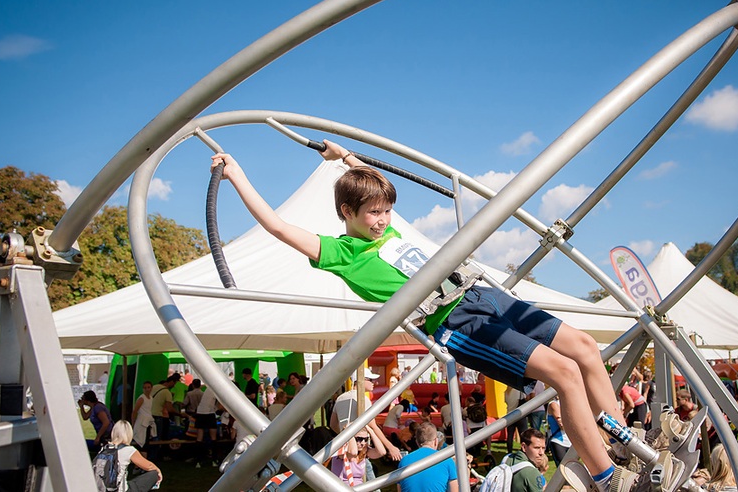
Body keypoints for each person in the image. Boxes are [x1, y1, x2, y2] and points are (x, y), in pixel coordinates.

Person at [212, 142, 636, 491]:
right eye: (373, 214)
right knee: (562, 371)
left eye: (386, 212)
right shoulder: (341, 253)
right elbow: (277, 227)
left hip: (480, 293)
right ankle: (609, 479)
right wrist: (236, 175)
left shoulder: (389, 230)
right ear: (346, 213)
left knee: (583, 347)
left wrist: (345, 158)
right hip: (455, 322)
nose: (382, 221)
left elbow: (374, 186)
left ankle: (627, 448)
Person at [330, 367, 403, 461]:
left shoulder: (340, 398)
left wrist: (345, 434)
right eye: (371, 380)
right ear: (362, 380)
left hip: (345, 447)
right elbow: (373, 426)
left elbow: (332, 424)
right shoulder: (363, 400)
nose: (374, 383)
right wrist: (390, 447)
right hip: (360, 448)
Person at [104, 420, 162, 492]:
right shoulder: (128, 450)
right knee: (154, 474)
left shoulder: (104, 448)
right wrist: (158, 472)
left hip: (104, 489)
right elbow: (149, 466)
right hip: (121, 490)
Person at [398, 422, 458, 492]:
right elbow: (454, 490)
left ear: (417, 442)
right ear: (436, 441)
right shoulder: (447, 460)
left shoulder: (404, 461)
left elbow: (400, 489)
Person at [507, 428, 547, 492]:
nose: (541, 453)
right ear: (524, 447)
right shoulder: (532, 472)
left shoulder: (507, 459)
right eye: (536, 448)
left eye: (543, 448)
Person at [194, 381, 221, 468]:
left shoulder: (209, 389)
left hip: (200, 413)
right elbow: (220, 406)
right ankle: (214, 460)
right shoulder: (217, 389)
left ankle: (198, 461)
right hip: (209, 414)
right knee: (213, 437)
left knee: (199, 438)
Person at [546, 397, 572, 466]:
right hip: (559, 442)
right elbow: (562, 425)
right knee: (563, 469)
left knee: (573, 469)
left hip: (571, 442)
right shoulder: (553, 404)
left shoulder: (568, 402)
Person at [504, 385, 529, 454]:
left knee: (510, 435)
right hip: (519, 414)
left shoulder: (506, 392)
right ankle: (523, 450)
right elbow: (525, 398)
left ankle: (509, 451)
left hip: (509, 414)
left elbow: (506, 402)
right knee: (523, 434)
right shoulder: (519, 391)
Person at [131, 381, 156, 449]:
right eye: (145, 388)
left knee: (146, 443)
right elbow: (135, 411)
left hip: (148, 423)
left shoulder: (151, 398)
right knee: (140, 442)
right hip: (141, 423)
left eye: (148, 387)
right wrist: (133, 423)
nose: (147, 389)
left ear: (151, 388)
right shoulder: (141, 398)